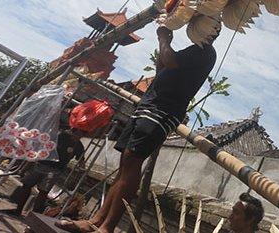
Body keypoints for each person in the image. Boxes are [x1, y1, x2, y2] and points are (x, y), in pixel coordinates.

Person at [57, 15, 220, 233]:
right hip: (149, 105)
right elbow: (164, 69)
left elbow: (169, 61)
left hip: (161, 111)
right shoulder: (192, 52)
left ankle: (107, 226)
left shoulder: (205, 53)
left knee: (132, 162)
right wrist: (164, 42)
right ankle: (96, 220)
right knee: (124, 165)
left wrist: (163, 38)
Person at [9, 128, 85, 215]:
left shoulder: (78, 145)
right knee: (26, 185)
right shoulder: (59, 136)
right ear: (73, 131)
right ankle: (18, 210)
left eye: (82, 135)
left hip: (55, 171)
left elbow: (81, 160)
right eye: (79, 134)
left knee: (43, 192)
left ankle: (33, 216)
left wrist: (81, 170)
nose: (79, 136)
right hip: (41, 164)